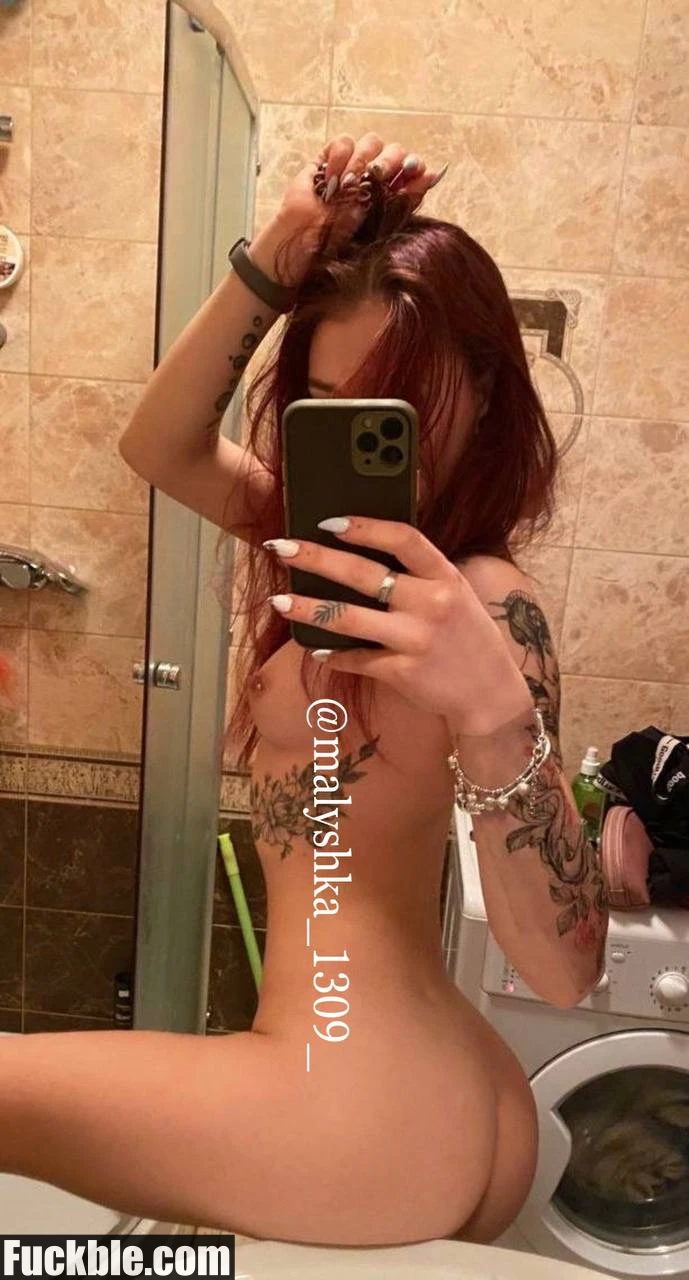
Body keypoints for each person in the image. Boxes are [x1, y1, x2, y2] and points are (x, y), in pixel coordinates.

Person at [1, 134, 608, 1248]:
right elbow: (160, 443)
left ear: (484, 391)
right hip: (410, 1084)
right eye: (328, 404)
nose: (363, 436)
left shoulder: (480, 603)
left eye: (396, 407)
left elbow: (564, 975)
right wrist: (276, 257)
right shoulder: (324, 556)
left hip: (360, 1111)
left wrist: (493, 710)